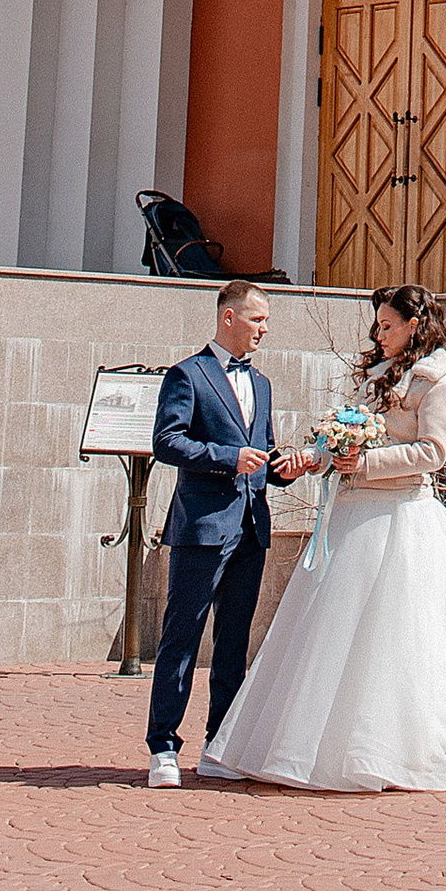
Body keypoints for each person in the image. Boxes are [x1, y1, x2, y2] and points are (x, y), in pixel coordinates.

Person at [200, 283, 446, 794]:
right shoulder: (375, 378)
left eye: (387, 326)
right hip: (352, 520)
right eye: (377, 325)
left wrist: (363, 463)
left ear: (414, 326)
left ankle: (402, 749)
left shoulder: (439, 385)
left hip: (403, 518)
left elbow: (432, 452)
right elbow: (341, 441)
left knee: (401, 636)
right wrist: (312, 457)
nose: (378, 334)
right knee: (332, 637)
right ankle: (320, 747)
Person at [145, 280, 308, 787]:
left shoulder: (262, 383)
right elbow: (166, 442)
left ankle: (221, 744)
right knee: (182, 637)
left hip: (251, 529)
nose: (264, 330)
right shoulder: (187, 375)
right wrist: (226, 458)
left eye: (266, 321)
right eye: (258, 319)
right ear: (229, 317)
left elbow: (264, 450)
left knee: (233, 643)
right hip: (202, 529)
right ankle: (163, 748)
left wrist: (286, 467)